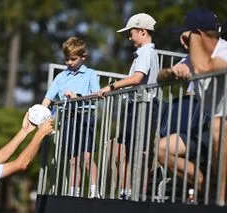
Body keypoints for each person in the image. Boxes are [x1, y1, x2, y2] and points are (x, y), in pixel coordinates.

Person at [158, 8, 227, 205]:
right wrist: (172, 71)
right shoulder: (191, 57)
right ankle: (207, 189)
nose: (183, 40)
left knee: (217, 126)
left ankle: (221, 203)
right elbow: (160, 79)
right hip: (209, 129)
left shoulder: (224, 51)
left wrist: (194, 40)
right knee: (163, 148)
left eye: (187, 34)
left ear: (198, 34)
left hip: (222, 126)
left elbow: (205, 68)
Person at [98, 13, 160, 199]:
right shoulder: (144, 53)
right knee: (125, 150)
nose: (129, 37)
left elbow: (137, 78)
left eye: (131, 32)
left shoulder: (146, 52)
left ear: (142, 31)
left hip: (145, 105)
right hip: (139, 106)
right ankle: (127, 192)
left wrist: (111, 86)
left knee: (137, 152)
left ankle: (136, 194)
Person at [42, 36, 100, 198]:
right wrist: (40, 113)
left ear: (83, 57)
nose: (69, 62)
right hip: (68, 118)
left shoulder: (90, 74)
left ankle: (95, 192)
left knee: (87, 157)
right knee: (73, 160)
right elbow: (48, 98)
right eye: (66, 59)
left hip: (85, 116)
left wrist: (77, 97)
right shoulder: (61, 77)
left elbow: (96, 95)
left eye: (73, 59)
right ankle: (74, 193)